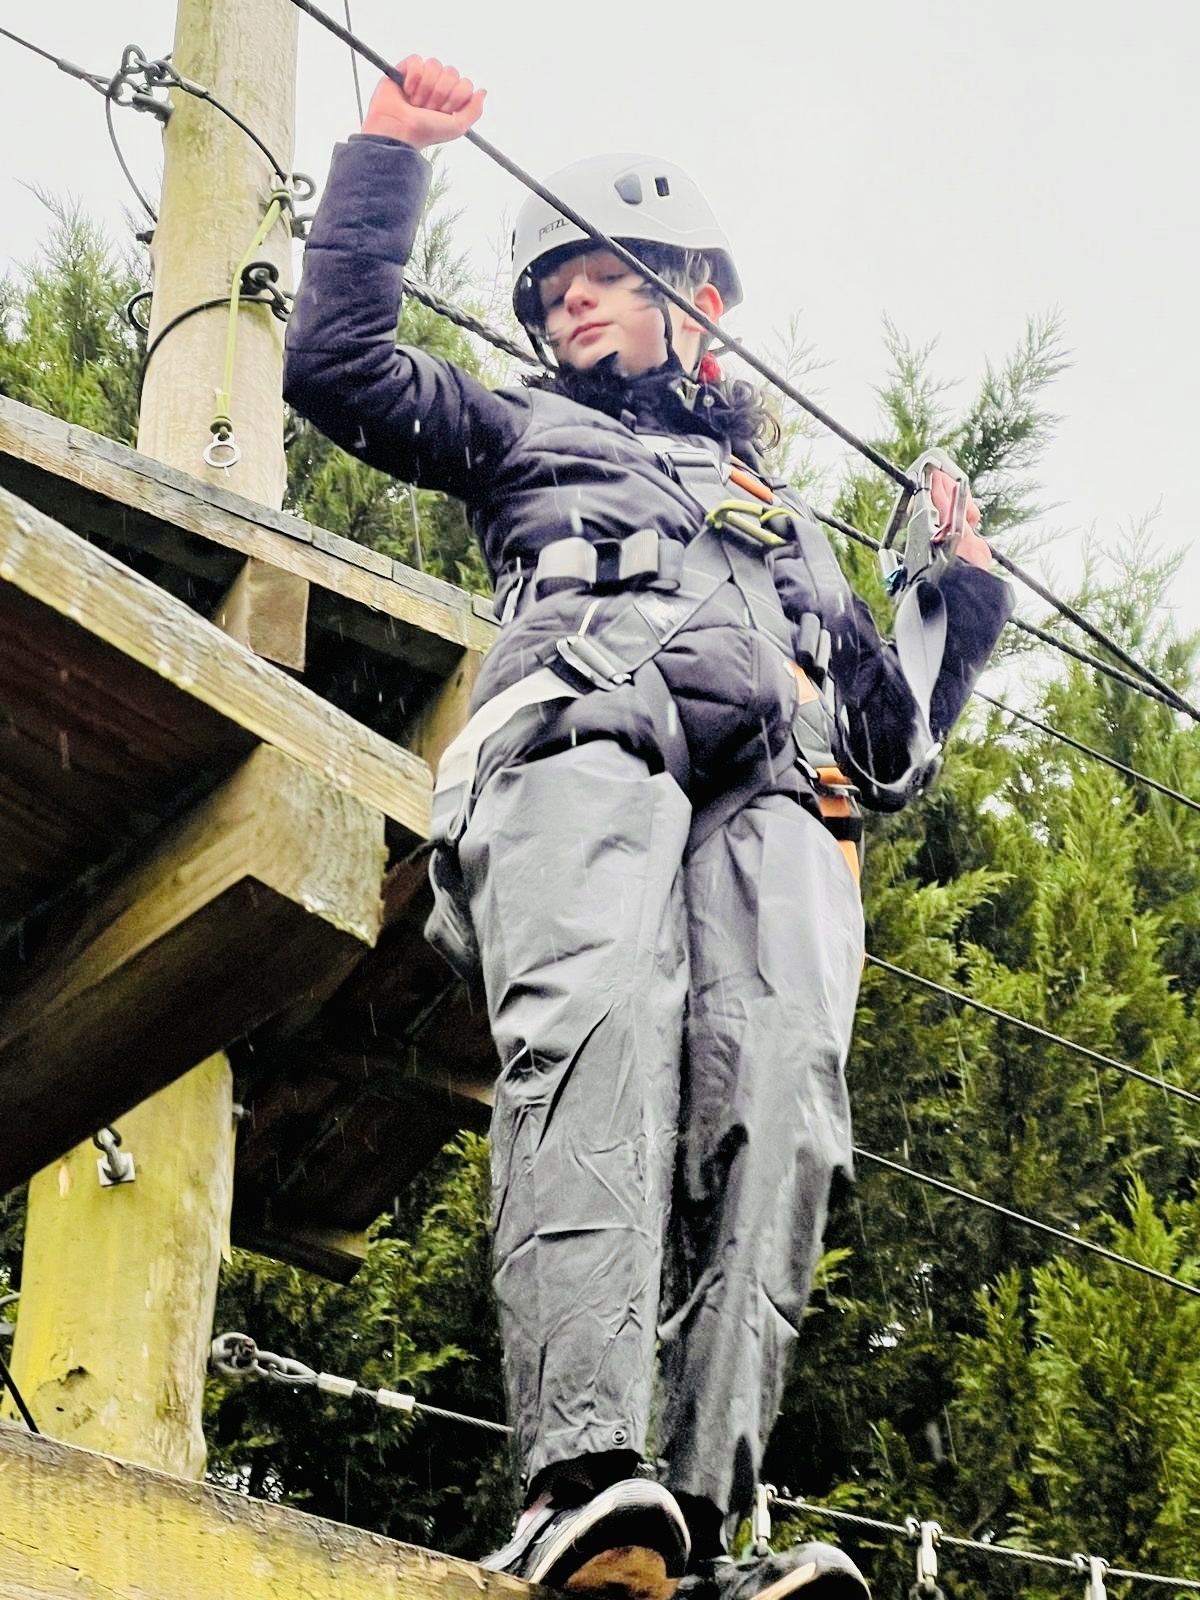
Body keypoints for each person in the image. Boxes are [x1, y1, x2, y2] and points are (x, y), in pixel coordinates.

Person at [284, 54, 1013, 1600]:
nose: (570, 305)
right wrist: (389, 155)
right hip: (582, 739)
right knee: (605, 1042)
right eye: (554, 291)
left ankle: (702, 1523)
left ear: (700, 301)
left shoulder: (791, 531)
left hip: (765, 791)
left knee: (781, 1106)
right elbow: (341, 367)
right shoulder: (520, 432)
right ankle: (583, 1476)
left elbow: (890, 748)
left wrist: (959, 602)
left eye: (604, 277)